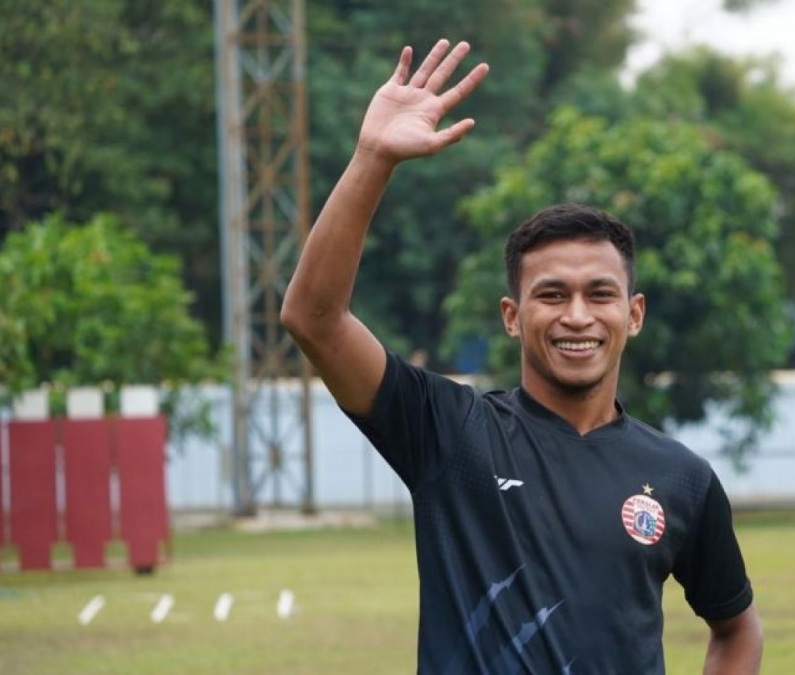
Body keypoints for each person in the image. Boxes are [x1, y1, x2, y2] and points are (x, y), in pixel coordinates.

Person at [281, 38, 763, 674]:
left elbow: (736, 629)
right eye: (551, 295)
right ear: (513, 316)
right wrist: (373, 158)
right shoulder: (449, 434)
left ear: (633, 314)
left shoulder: (681, 478)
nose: (577, 316)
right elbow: (313, 319)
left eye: (600, 294)